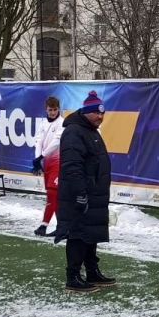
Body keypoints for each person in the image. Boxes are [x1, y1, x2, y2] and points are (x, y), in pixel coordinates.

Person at [55, 91, 115, 294]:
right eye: (96, 113)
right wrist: (80, 193)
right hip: (81, 195)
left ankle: (91, 271)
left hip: (94, 194)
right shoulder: (74, 132)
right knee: (78, 234)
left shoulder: (90, 130)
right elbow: (72, 166)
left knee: (91, 234)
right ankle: (72, 277)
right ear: (86, 112)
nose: (100, 117)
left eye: (102, 113)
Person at [32, 96, 65, 236]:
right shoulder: (42, 124)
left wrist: (41, 156)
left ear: (58, 109)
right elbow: (38, 141)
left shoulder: (62, 123)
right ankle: (62, 227)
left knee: (52, 193)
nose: (52, 112)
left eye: (55, 110)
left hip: (58, 163)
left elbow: (56, 143)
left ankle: (44, 225)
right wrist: (37, 159)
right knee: (53, 196)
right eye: (50, 110)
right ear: (46, 109)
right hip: (47, 163)